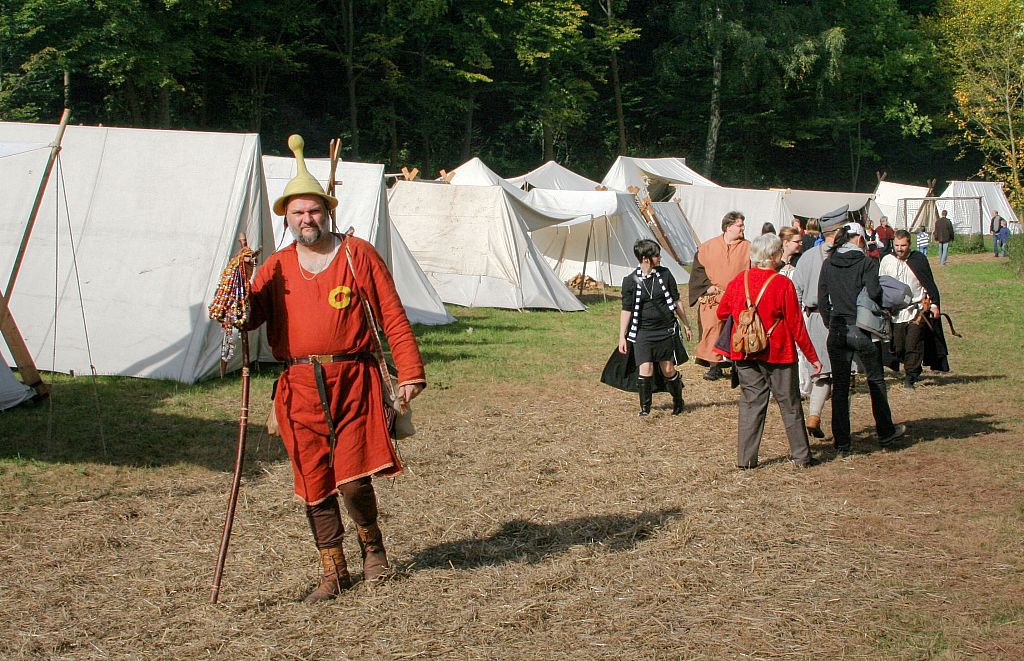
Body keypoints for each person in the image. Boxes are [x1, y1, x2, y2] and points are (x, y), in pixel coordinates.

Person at [246, 135, 426, 602]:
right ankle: (333, 570)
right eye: (298, 212)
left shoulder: (356, 253)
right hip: (299, 385)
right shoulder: (277, 266)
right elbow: (250, 319)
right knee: (314, 483)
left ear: (326, 212)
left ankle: (374, 549)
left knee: (351, 479)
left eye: (314, 211)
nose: (307, 219)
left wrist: (408, 372)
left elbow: (392, 314)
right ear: (286, 217)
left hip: (354, 380)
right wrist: (234, 300)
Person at [717, 234, 822, 469]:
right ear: (775, 256)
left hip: (744, 352)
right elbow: (796, 325)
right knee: (790, 404)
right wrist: (813, 357)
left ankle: (745, 460)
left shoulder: (738, 281)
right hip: (778, 353)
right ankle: (802, 456)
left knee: (751, 404)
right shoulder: (782, 284)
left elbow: (722, 312)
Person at [818, 222, 906, 455]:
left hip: (837, 328)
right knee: (876, 380)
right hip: (861, 327)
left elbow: (822, 298)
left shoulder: (828, 263)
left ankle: (842, 443)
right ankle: (886, 433)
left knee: (840, 387)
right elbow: (876, 292)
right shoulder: (867, 263)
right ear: (858, 239)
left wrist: (830, 323)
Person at [618, 240, 693, 416]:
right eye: (657, 255)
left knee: (667, 369)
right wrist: (622, 336)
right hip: (642, 332)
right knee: (645, 369)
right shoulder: (630, 281)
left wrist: (686, 324)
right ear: (645, 258)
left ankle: (678, 400)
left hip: (664, 330)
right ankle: (645, 408)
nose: (660, 258)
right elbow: (626, 310)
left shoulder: (665, 275)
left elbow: (676, 301)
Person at [791, 217, 843, 439]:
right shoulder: (846, 256)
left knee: (821, 372)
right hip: (838, 319)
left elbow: (796, 293)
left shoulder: (807, 257)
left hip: (815, 318)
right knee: (839, 375)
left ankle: (814, 416)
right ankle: (839, 429)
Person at [688, 211, 751, 381]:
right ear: (728, 227)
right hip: (714, 297)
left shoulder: (749, 248)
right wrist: (706, 287)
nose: (743, 228)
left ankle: (737, 366)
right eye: (740, 225)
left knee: (737, 331)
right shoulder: (707, 247)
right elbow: (697, 270)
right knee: (712, 329)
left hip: (738, 297)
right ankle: (714, 366)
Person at [880, 230, 943, 389]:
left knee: (913, 344)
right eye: (897, 245)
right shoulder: (887, 260)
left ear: (909, 244)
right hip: (895, 312)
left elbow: (927, 283)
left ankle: (911, 375)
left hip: (916, 310)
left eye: (903, 245)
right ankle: (910, 366)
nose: (900, 248)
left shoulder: (918, 260)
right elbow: (881, 284)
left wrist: (933, 304)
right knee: (899, 346)